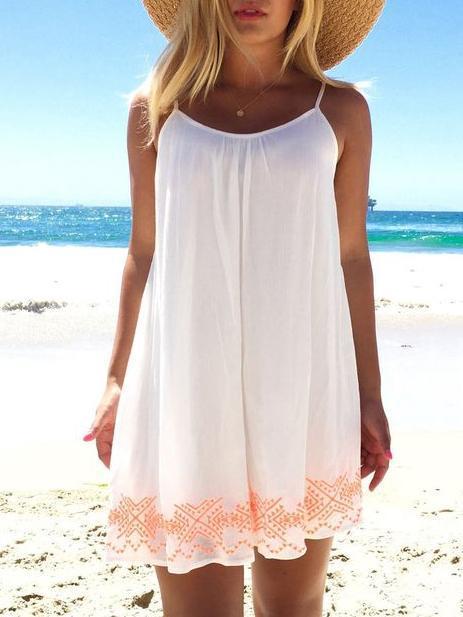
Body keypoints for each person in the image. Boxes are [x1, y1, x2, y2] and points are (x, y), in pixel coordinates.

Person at [83, 0, 392, 615]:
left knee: (293, 605)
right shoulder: (157, 108)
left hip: (302, 388)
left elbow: (351, 258)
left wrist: (369, 394)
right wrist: (116, 381)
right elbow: (143, 251)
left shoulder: (340, 110)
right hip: (188, 389)